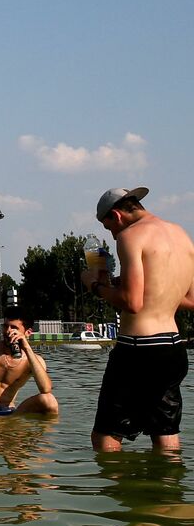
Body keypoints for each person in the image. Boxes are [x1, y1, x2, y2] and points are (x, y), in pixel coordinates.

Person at [81, 187, 194, 451]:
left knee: (105, 436)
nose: (113, 234)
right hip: (173, 348)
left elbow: (132, 304)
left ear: (117, 216)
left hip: (138, 349)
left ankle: (121, 489)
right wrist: (144, 287)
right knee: (165, 431)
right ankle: (167, 489)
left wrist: (94, 287)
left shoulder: (131, 237)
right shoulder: (181, 235)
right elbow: (190, 299)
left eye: (109, 228)